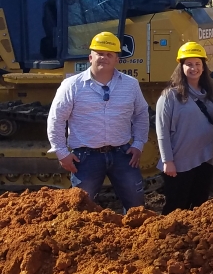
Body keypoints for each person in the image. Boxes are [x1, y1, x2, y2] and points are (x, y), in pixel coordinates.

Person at [46, 31, 149, 212]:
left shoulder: (131, 85)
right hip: (86, 157)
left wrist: (139, 143)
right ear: (90, 57)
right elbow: (56, 119)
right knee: (80, 207)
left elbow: (141, 113)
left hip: (122, 155)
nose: (104, 58)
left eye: (109, 54)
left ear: (117, 59)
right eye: (100, 53)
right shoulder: (72, 85)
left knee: (136, 206)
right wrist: (61, 152)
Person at [155, 42, 213, 213]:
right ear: (181, 67)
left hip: (207, 158)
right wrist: (168, 161)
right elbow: (162, 131)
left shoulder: (211, 93)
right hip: (180, 162)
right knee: (176, 205)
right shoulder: (170, 96)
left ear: (203, 67)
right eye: (189, 64)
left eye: (197, 64)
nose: (193, 68)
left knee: (199, 204)